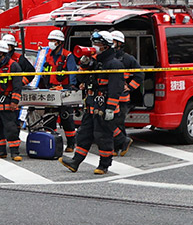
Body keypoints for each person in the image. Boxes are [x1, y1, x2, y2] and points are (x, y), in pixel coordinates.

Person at [59, 30, 124, 175]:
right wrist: (84, 65)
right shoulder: (94, 61)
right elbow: (82, 80)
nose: (94, 46)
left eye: (98, 44)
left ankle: (104, 165)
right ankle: (75, 162)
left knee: (103, 135)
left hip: (104, 104)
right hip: (91, 103)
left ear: (106, 46)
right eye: (93, 43)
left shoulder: (114, 64)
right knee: (84, 134)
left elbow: (116, 88)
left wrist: (110, 108)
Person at [32, 30, 78, 153]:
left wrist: (72, 87)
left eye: (53, 41)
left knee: (66, 118)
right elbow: (43, 72)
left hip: (64, 90)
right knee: (49, 117)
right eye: (50, 40)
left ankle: (71, 144)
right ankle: (52, 142)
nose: (50, 43)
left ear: (59, 42)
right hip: (50, 90)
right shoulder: (47, 56)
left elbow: (72, 71)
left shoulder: (68, 56)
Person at [108, 30, 143, 156]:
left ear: (119, 43)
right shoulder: (108, 57)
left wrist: (130, 87)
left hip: (122, 99)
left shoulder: (128, 59)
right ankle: (119, 144)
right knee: (110, 122)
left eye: (113, 41)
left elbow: (140, 75)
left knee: (118, 122)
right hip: (110, 95)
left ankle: (119, 146)